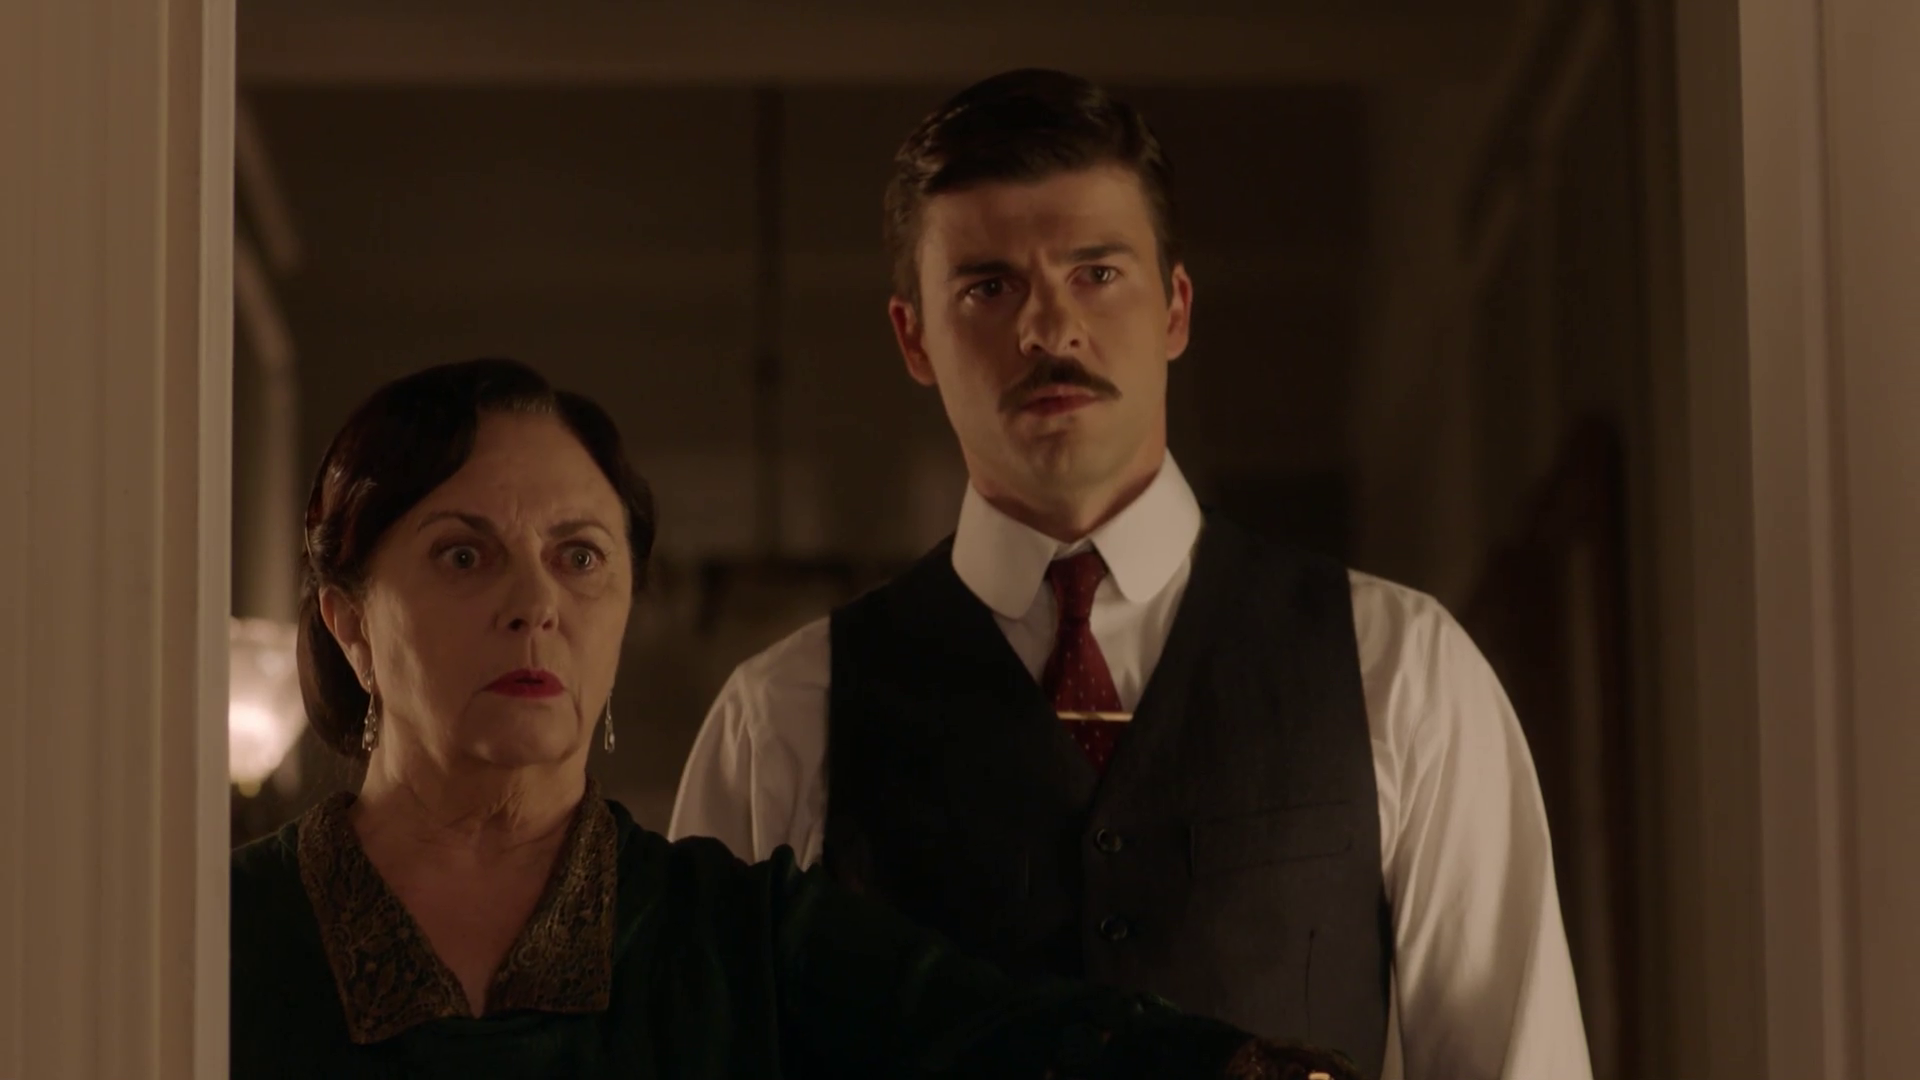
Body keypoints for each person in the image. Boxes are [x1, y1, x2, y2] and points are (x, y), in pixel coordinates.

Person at [668, 70, 1593, 1080]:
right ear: (913, 337)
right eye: (988, 287)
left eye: (1097, 273)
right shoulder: (781, 722)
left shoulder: (1403, 669)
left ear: (1176, 309)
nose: (1049, 329)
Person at [228, 357, 1367, 1080]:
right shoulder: (217, 931)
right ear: (350, 621)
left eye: (580, 557)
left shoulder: (738, 939)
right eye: (463, 556)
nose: (536, 605)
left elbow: (1013, 1039)